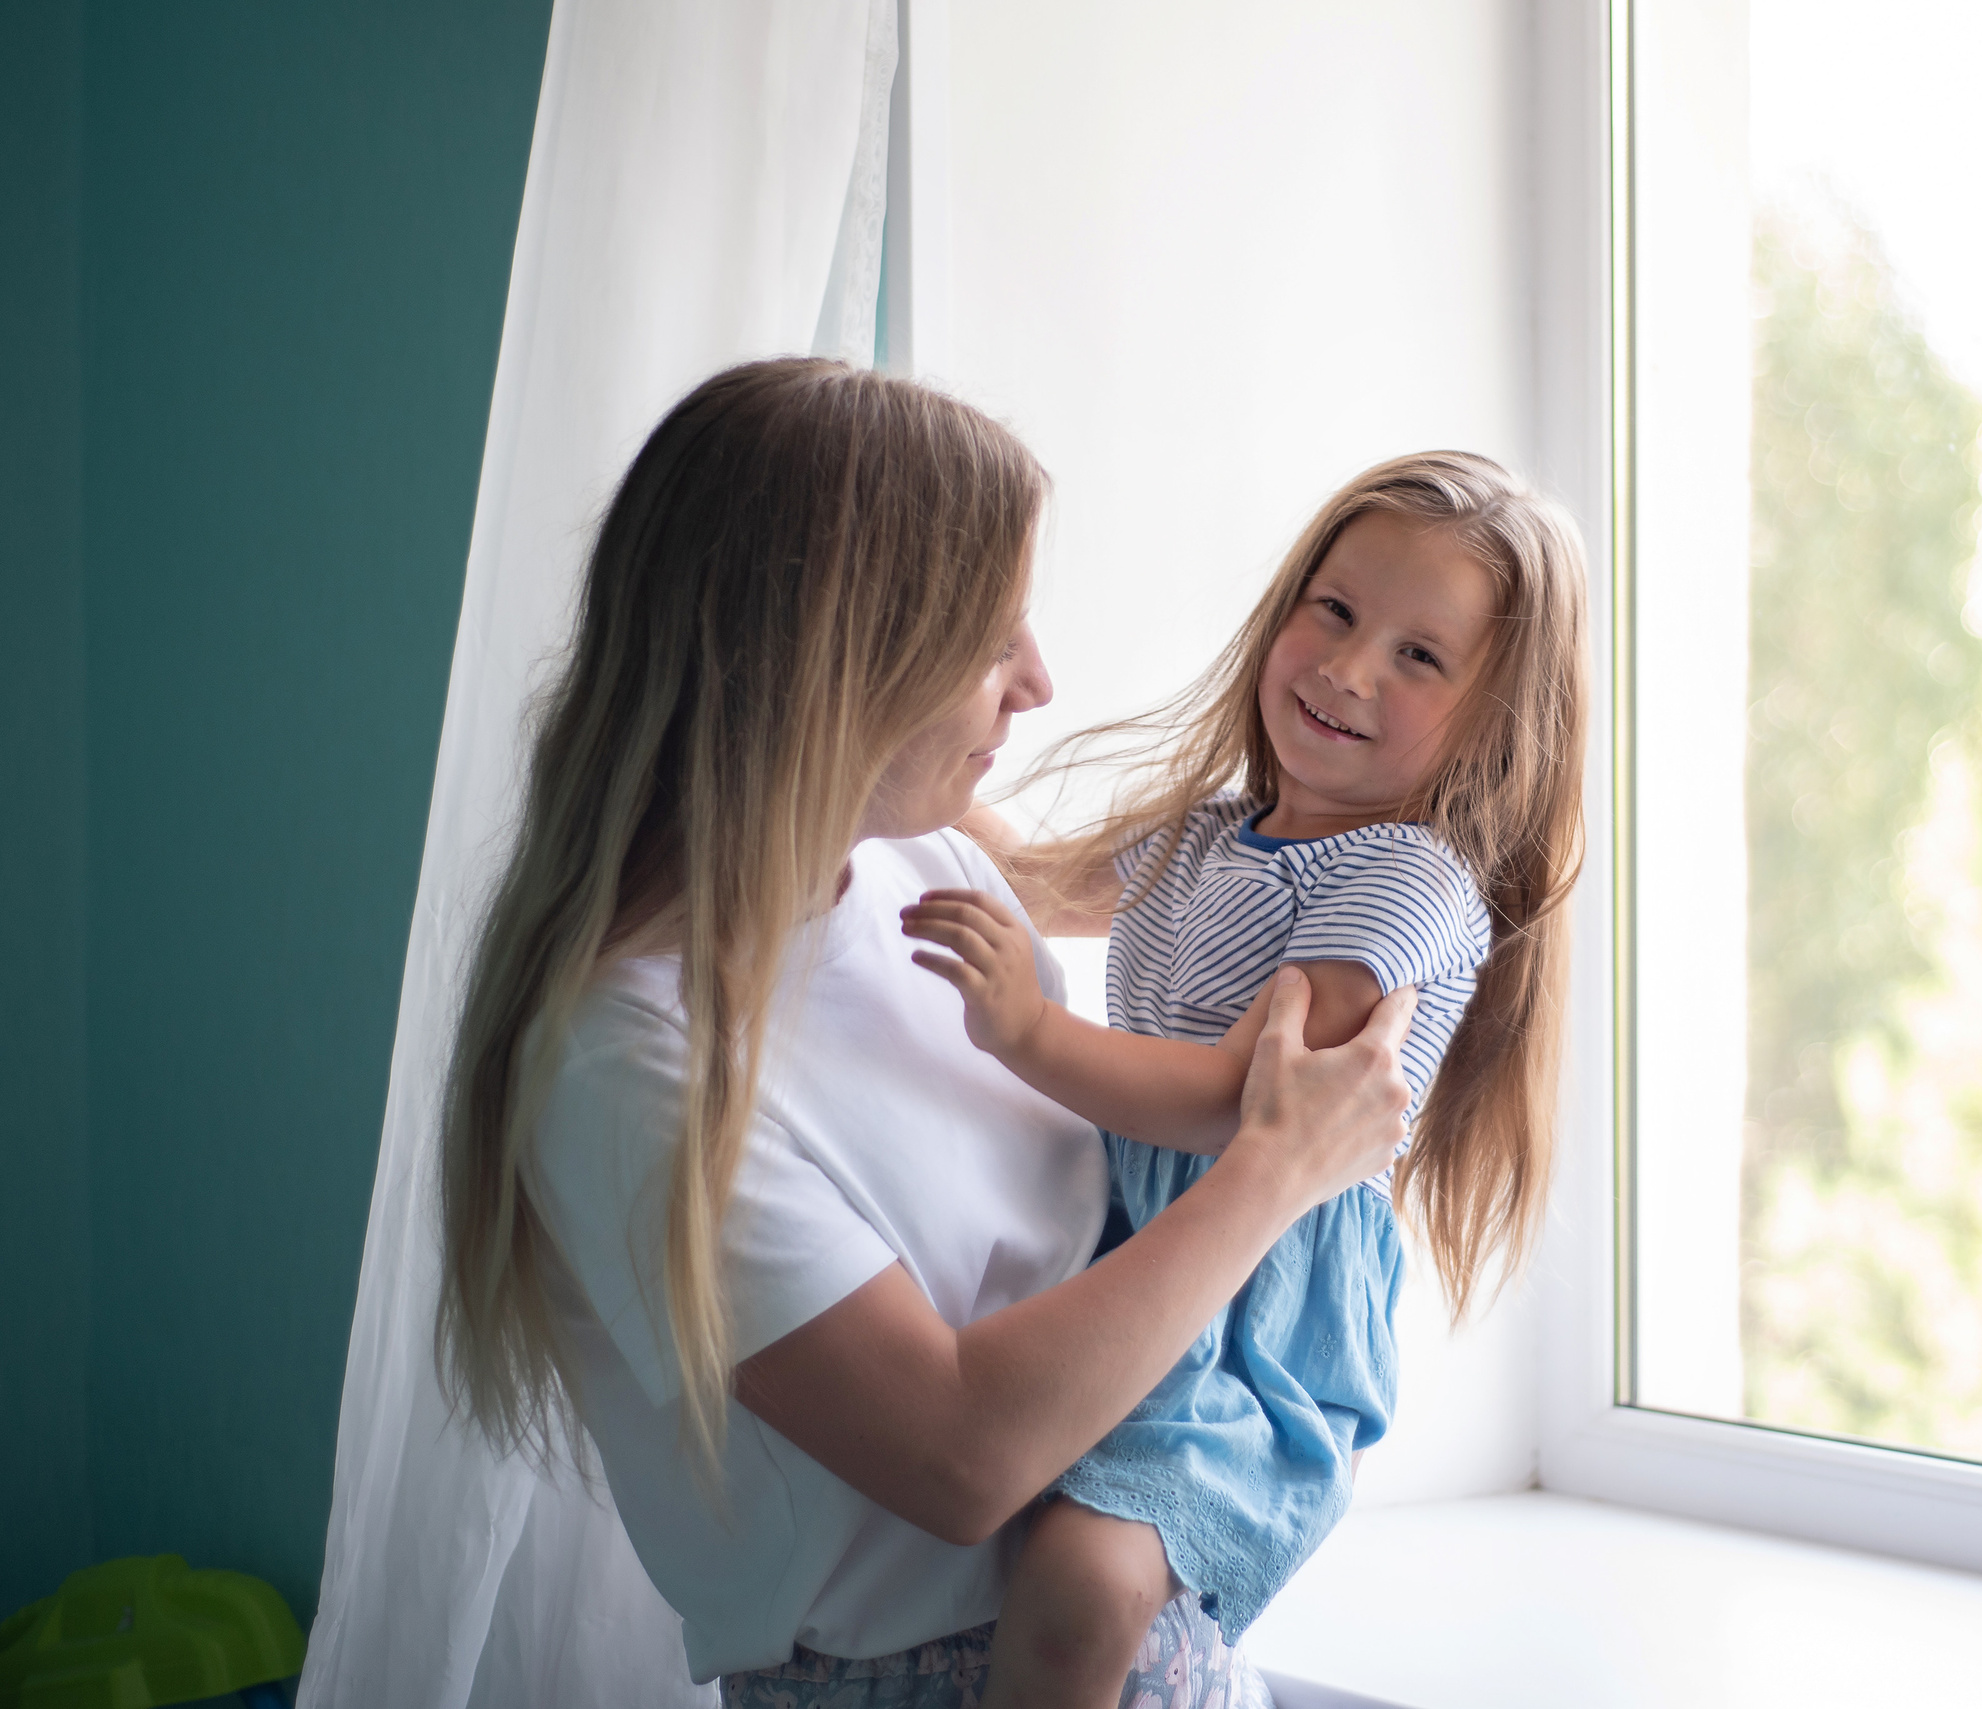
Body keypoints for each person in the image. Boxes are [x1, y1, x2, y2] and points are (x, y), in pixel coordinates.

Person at [432, 357, 1419, 1707]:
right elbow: (959, 1455)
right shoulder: (629, 1062)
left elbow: (1152, 903)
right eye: (990, 636)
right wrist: (1272, 1173)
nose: (1037, 683)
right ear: (830, 662)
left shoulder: (920, 863)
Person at [905, 452, 1589, 1709]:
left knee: (1084, 1586)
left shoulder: (1408, 882)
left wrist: (1026, 1034)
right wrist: (910, 757)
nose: (1346, 667)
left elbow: (1243, 1103)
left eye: (1418, 656)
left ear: (1497, 721)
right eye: (1332, 610)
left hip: (1255, 1307)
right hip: (1132, 1249)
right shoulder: (1213, 834)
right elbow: (1040, 876)